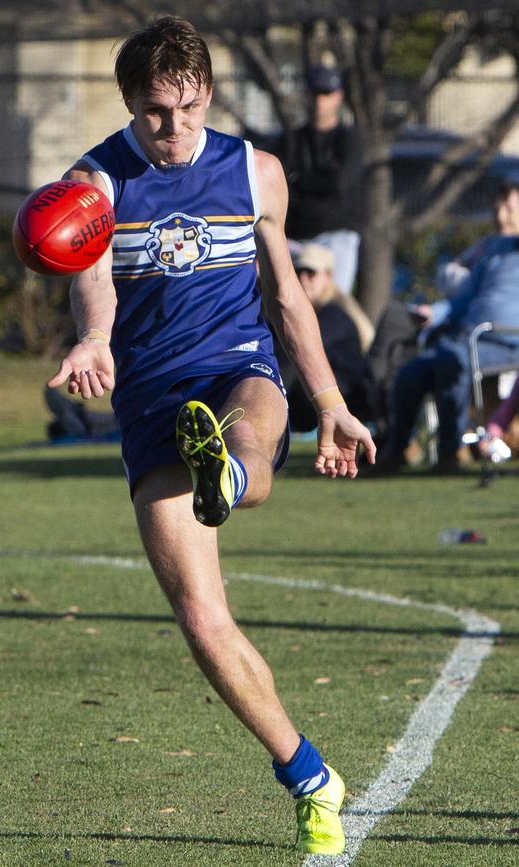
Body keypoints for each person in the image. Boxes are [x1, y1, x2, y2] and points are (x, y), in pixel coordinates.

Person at [47, 17, 375, 855]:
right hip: (153, 398)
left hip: (238, 365)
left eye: (189, 108)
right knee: (200, 615)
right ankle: (308, 773)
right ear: (130, 103)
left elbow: (290, 297)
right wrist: (90, 340)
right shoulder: (97, 184)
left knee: (248, 444)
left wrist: (331, 399)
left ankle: (224, 474)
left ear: (210, 98)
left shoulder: (254, 170)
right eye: (157, 111)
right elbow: (94, 288)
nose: (174, 127)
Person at [378, 231, 519, 474]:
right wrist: (435, 313)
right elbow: (464, 299)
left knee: (451, 361)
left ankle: (450, 451)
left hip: (505, 342)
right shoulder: (497, 249)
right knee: (409, 373)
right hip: (465, 338)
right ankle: (398, 449)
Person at [283, 64, 364, 295]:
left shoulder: (349, 139)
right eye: (315, 93)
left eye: (326, 94)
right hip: (297, 238)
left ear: (339, 96)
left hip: (335, 237)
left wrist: (302, 180)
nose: (320, 100)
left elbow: (340, 183)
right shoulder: (293, 140)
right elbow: (283, 185)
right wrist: (317, 181)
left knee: (333, 304)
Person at [280, 242, 374, 431]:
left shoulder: (333, 315)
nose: (304, 279)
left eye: (311, 273)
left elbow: (298, 352)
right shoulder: (316, 312)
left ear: (328, 277)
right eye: (298, 272)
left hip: (341, 399)